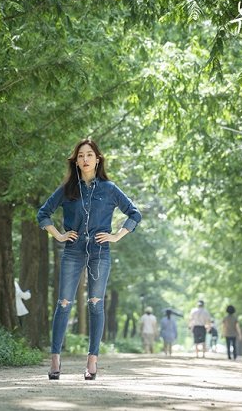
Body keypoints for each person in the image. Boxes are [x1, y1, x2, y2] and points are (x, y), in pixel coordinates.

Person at [37, 139, 142, 381]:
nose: (85, 159)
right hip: (73, 251)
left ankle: (92, 361)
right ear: (76, 161)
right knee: (64, 303)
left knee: (96, 304)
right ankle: (55, 359)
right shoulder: (67, 190)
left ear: (97, 160)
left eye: (89, 155)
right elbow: (43, 213)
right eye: (80, 155)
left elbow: (134, 214)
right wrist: (60, 235)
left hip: (100, 251)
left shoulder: (110, 189)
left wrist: (116, 236)